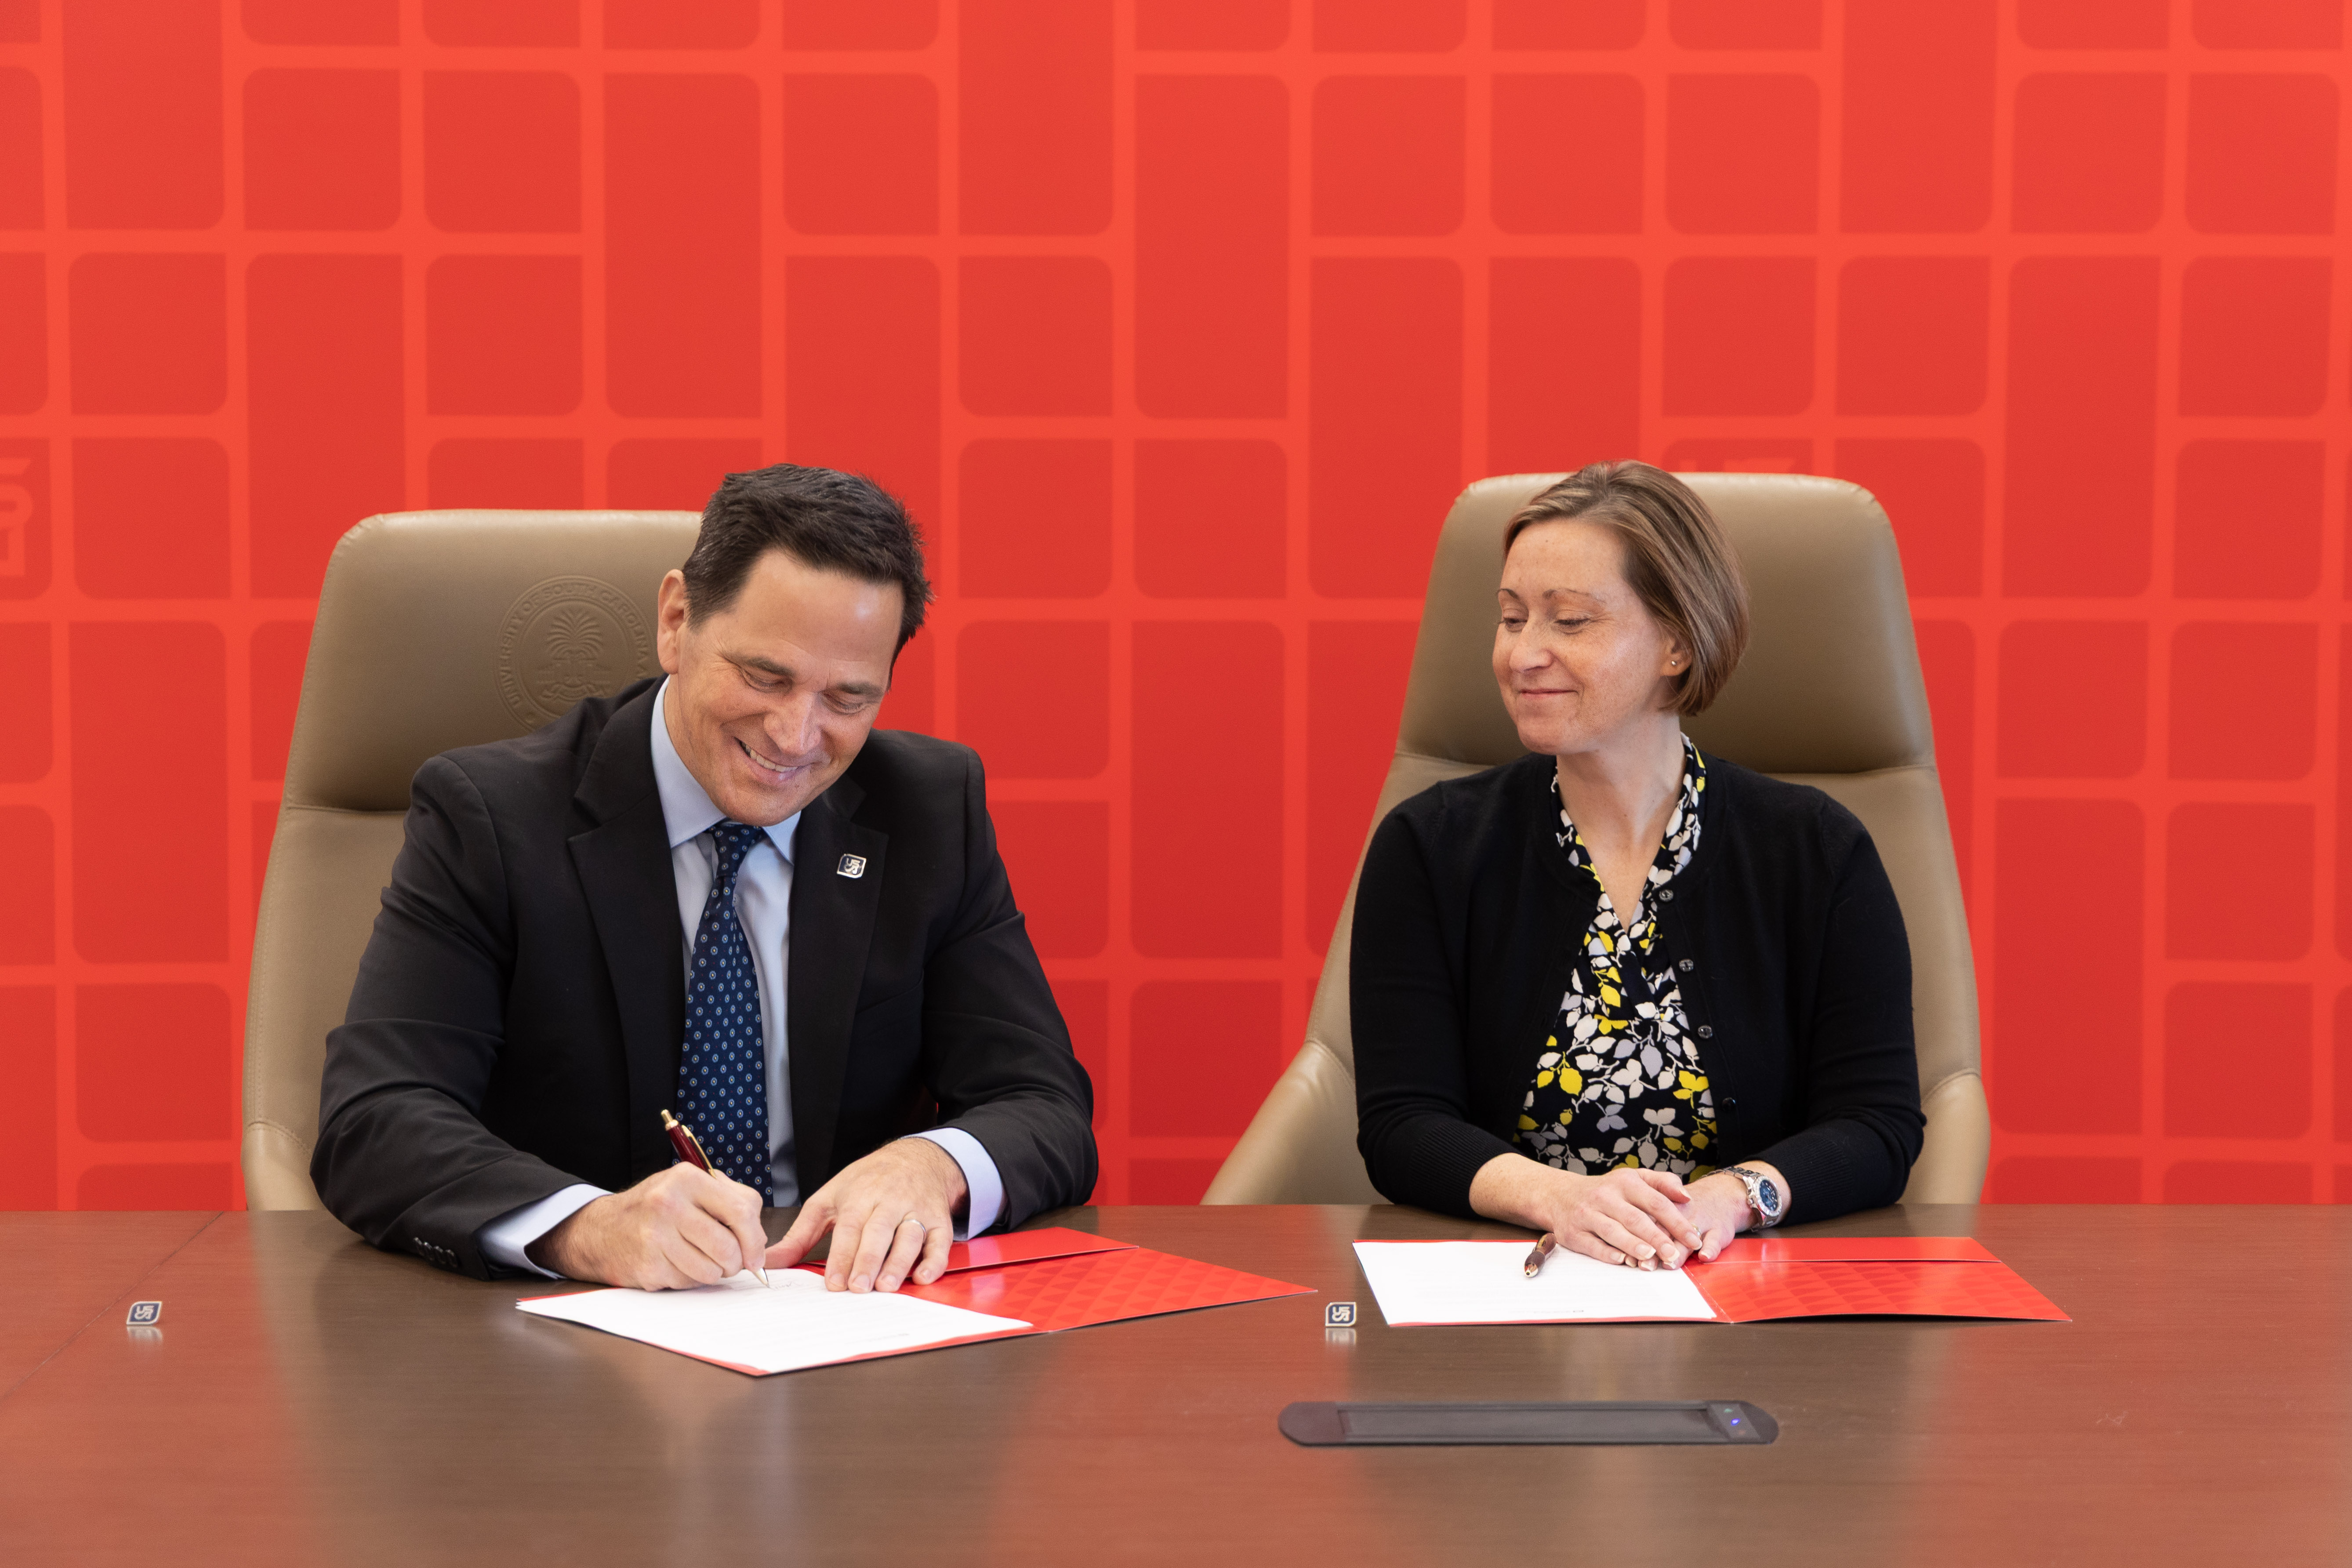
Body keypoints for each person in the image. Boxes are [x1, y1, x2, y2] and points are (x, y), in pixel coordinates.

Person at [313, 465, 1096, 1293]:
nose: (797, 737)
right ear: (677, 619)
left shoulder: (930, 810)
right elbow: (376, 1119)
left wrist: (932, 1165)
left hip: (836, 1331)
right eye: (766, 677)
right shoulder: (491, 818)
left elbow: (1043, 1101)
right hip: (569, 1344)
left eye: (849, 698)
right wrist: (584, 1226)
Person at [1350, 461, 1923, 1270]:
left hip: (1741, 1287)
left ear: (1679, 643)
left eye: (1571, 621)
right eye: (1511, 619)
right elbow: (1403, 1123)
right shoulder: (1430, 846)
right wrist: (1561, 1198)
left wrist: (1730, 1200)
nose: (1523, 655)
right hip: (1512, 1287)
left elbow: (1878, 1124)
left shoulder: (1817, 852)